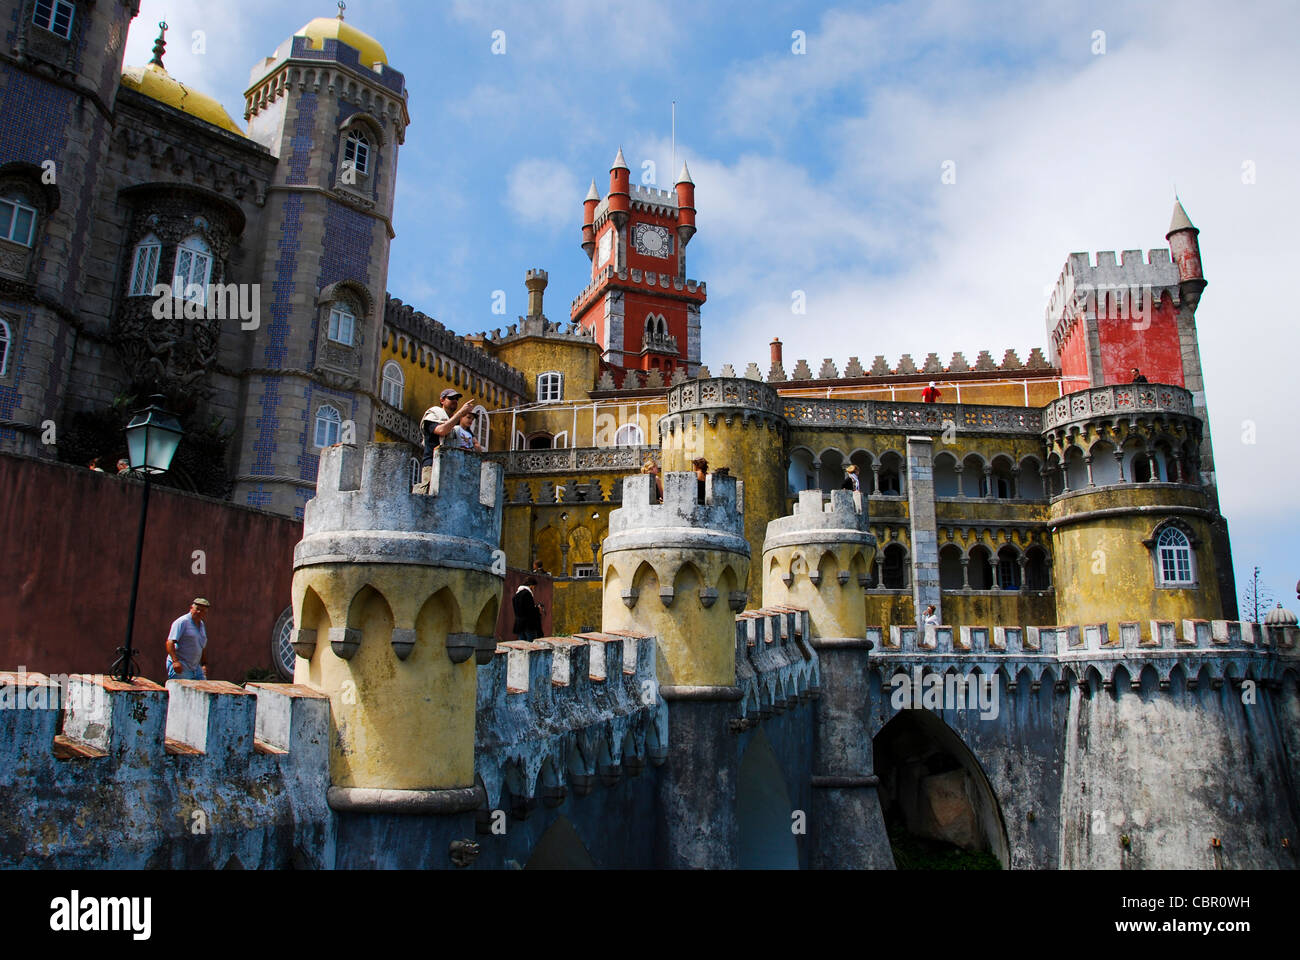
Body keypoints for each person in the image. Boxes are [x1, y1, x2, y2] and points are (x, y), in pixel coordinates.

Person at [415, 388, 475, 492]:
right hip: (432, 463)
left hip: (450, 466)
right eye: (451, 398)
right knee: (429, 495)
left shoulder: (455, 422)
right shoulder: (432, 415)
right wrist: (461, 413)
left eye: (457, 399)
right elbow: (442, 430)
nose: (455, 401)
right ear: (442, 400)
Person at [166, 598, 211, 680]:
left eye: (203, 611)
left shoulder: (201, 625)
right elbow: (170, 642)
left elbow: (201, 646)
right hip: (182, 665)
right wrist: (175, 662)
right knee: (181, 691)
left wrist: (204, 664)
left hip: (196, 668)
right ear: (191, 608)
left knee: (203, 690)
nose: (199, 612)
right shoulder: (182, 622)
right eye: (197, 609)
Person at [512, 577, 544, 643]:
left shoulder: (516, 595)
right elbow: (530, 611)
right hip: (528, 625)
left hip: (519, 625)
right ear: (531, 585)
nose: (534, 589)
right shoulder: (527, 594)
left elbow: (521, 610)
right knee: (531, 646)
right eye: (534, 587)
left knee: (522, 646)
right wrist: (537, 608)